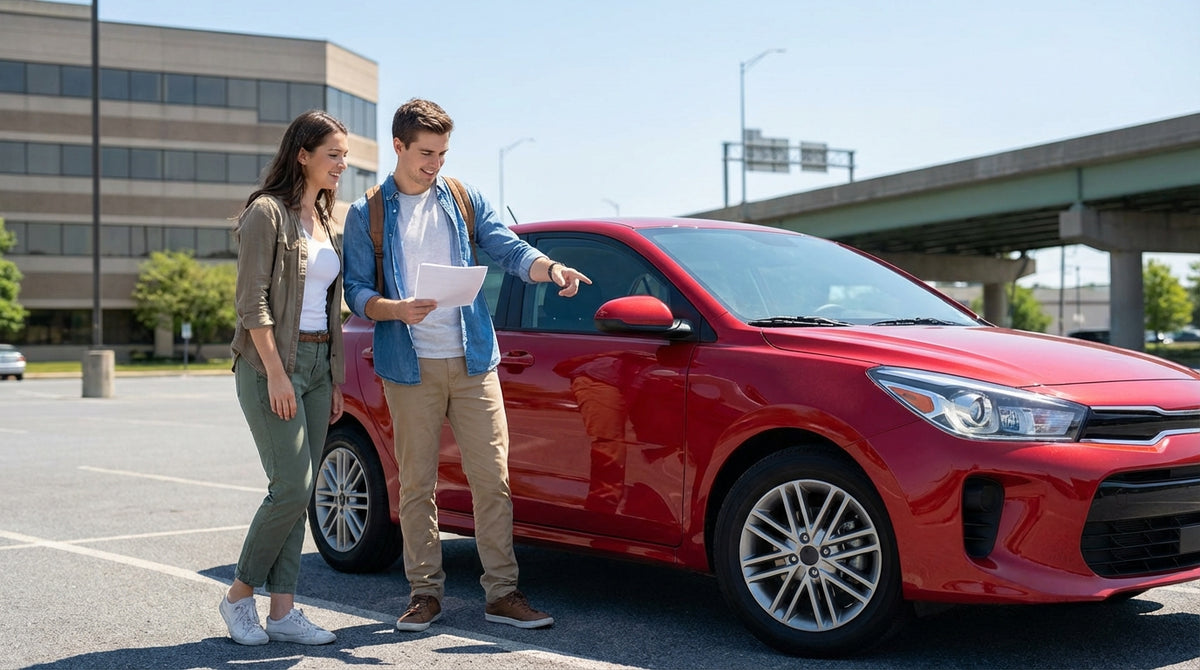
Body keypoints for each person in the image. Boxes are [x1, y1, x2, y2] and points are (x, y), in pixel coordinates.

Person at [342, 98, 590, 633]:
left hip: (473, 359)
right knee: (416, 484)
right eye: (426, 153)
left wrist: (549, 268)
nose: (436, 164)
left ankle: (502, 594)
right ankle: (424, 594)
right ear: (399, 147)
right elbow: (356, 290)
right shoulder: (368, 213)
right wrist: (394, 309)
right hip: (409, 366)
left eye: (443, 153)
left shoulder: (461, 197)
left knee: (492, 479)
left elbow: (504, 245)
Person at [221, 110, 348, 646]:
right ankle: (237, 598)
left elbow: (329, 303)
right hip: (272, 365)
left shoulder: (326, 219)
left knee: (303, 491)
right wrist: (276, 372)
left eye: (344, 156)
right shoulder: (266, 214)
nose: (342, 164)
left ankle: (283, 612)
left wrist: (334, 377)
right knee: (291, 486)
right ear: (303, 154)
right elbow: (251, 302)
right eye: (333, 155)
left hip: (319, 368)